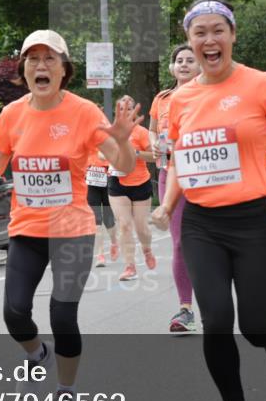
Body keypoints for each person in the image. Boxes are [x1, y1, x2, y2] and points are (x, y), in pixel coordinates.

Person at [0, 29, 141, 401]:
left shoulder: (84, 112)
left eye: (49, 59)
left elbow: (124, 165)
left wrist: (124, 141)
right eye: (32, 59)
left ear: (64, 70)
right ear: (23, 71)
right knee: (14, 314)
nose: (40, 66)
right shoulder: (13, 114)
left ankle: (65, 391)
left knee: (63, 315)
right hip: (26, 230)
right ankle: (36, 354)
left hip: (72, 231)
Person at [151, 0, 266, 401]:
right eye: (198, 33)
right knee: (217, 318)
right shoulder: (179, 100)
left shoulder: (260, 85)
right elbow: (182, 161)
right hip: (202, 223)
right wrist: (166, 204)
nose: (209, 39)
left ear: (232, 35)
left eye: (217, 30)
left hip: (254, 219)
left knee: (256, 324)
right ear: (189, 42)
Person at [151, 44, 202, 333]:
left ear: (199, 66)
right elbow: (152, 131)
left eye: (189, 60)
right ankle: (185, 309)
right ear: (172, 68)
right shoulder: (162, 98)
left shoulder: (208, 95)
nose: (184, 64)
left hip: (204, 175)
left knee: (208, 239)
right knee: (180, 241)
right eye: (179, 60)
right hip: (169, 173)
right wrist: (154, 144)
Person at [108, 111, 157, 282]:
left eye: (129, 109)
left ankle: (147, 249)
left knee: (141, 227)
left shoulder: (141, 132)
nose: (126, 113)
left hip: (140, 183)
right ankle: (130, 267)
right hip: (117, 182)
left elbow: (154, 157)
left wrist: (134, 154)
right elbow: (100, 152)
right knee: (124, 225)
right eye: (122, 109)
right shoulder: (111, 131)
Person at [85, 149, 118, 267]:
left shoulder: (108, 134)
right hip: (91, 180)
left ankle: (114, 242)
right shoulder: (86, 135)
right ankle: (100, 255)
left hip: (108, 178)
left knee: (109, 219)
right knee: (96, 220)